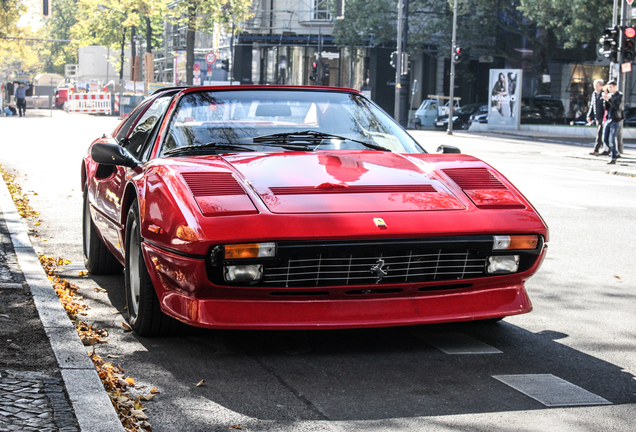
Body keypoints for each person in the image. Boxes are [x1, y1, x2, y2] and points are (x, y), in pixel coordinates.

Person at [602, 80, 623, 164]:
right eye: (609, 87)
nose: (609, 89)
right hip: (609, 119)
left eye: (611, 87)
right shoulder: (609, 95)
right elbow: (606, 108)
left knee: (611, 139)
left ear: (615, 87)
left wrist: (609, 99)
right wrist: (605, 100)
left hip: (616, 119)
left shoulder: (619, 95)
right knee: (605, 139)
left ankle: (613, 157)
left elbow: (616, 106)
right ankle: (615, 152)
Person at [586, 79, 608, 156]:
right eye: (595, 85)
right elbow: (592, 105)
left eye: (597, 86)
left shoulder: (604, 94)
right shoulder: (594, 94)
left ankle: (596, 149)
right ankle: (607, 149)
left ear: (601, 86)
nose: (595, 87)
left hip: (603, 116)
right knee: (601, 134)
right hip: (597, 116)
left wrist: (605, 118)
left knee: (600, 133)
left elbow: (605, 107)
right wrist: (589, 115)